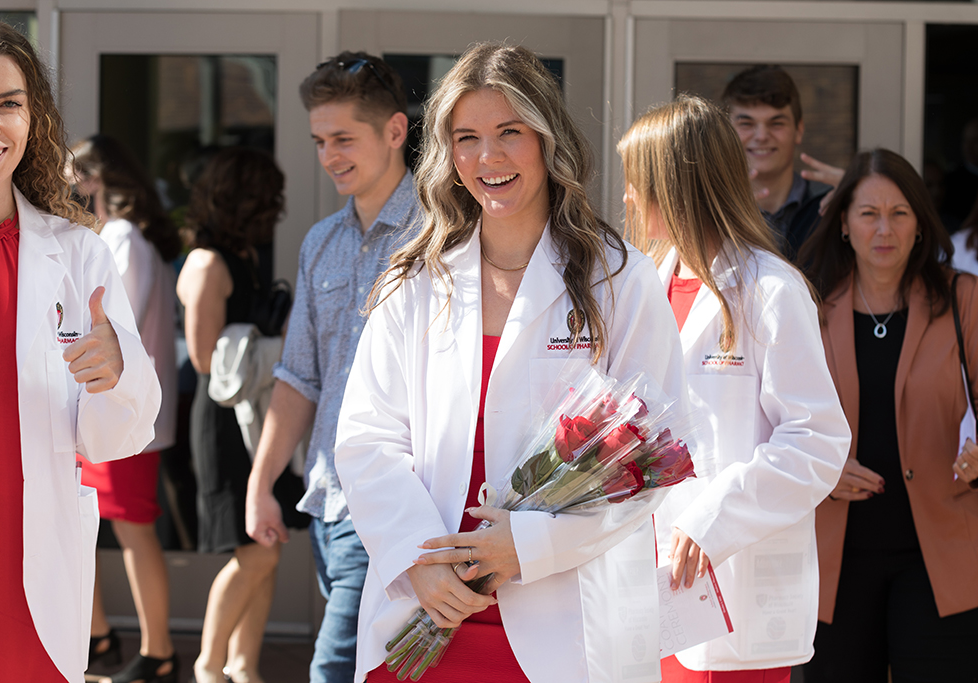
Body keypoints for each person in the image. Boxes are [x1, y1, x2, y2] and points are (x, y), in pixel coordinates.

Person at [333, 43, 686, 683]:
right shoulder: (416, 279)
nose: (487, 157)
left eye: (509, 133)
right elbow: (366, 437)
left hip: (562, 621)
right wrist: (418, 558)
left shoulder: (619, 279)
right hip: (431, 610)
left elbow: (659, 454)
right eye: (466, 138)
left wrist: (528, 545)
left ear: (546, 141)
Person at [0, 16, 160, 683]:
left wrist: (116, 375)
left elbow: (115, 436)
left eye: (8, 104)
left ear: (32, 118)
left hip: (27, 568)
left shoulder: (78, 254)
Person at [617, 95, 850, 683]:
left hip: (728, 588)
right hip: (643, 586)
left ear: (676, 187)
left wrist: (711, 520)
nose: (625, 198)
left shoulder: (770, 290)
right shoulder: (642, 287)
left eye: (636, 182)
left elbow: (816, 442)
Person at [244, 51, 418, 683]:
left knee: (334, 667)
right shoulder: (321, 240)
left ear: (395, 131)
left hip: (402, 504)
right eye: (320, 141)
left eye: (344, 138)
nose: (329, 156)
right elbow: (299, 377)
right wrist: (263, 483)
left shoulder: (445, 236)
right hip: (328, 503)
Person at [798, 149, 978, 682]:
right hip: (834, 556)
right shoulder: (807, 303)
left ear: (921, 224)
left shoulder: (960, 297)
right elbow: (771, 420)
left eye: (900, 213)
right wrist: (818, 469)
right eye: (869, 213)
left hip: (941, 551)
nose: (885, 229)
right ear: (844, 223)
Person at [176, 147, 305, 683]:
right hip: (225, 419)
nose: (275, 207)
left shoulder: (243, 255)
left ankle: (244, 665)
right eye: (266, 197)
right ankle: (209, 665)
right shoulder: (208, 262)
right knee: (255, 555)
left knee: (267, 549)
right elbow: (206, 359)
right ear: (242, 199)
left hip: (253, 412)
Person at [69, 134, 180, 683]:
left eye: (73, 174)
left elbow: (115, 329)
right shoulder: (128, 237)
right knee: (91, 525)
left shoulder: (121, 239)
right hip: (115, 413)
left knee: (132, 532)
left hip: (124, 416)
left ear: (95, 177)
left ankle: (158, 649)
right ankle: (100, 635)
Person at [721, 65, 834, 259]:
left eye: (777, 123)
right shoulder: (711, 210)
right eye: (746, 124)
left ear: (799, 130)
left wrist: (858, 196)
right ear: (725, 132)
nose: (762, 136)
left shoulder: (829, 209)